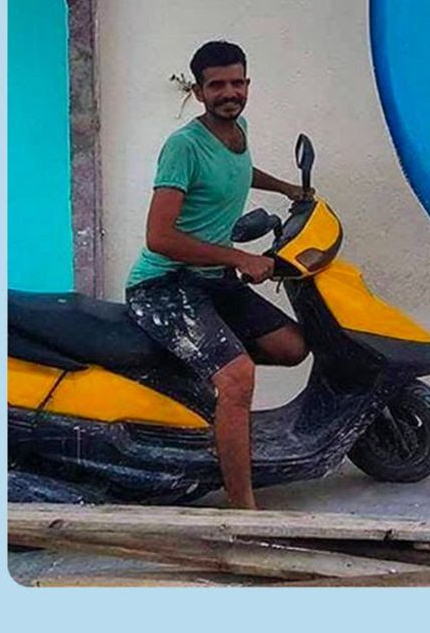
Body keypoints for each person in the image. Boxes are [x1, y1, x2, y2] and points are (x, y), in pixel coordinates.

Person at [126, 39, 311, 510]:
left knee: (292, 347)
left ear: (247, 84)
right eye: (217, 86)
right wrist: (238, 258)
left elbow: (238, 169)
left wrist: (287, 188)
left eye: (237, 83)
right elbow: (159, 237)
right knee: (236, 378)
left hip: (211, 278)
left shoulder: (237, 129)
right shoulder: (183, 147)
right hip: (164, 284)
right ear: (198, 91)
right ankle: (243, 509)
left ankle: (207, 378)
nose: (229, 93)